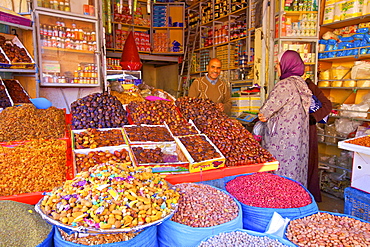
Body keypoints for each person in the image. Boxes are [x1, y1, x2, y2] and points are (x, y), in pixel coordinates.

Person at [258, 50, 312, 187]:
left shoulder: (285, 85)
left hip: (282, 141)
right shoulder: (301, 84)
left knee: (279, 178)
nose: (276, 67)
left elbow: (264, 113)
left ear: (287, 65)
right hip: (297, 141)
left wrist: (261, 115)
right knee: (295, 174)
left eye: (278, 64)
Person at [306, 77, 332, 202]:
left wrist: (314, 117)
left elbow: (327, 105)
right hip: (290, 133)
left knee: (309, 163)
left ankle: (309, 197)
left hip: (308, 132)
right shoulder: (286, 86)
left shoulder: (310, 87)